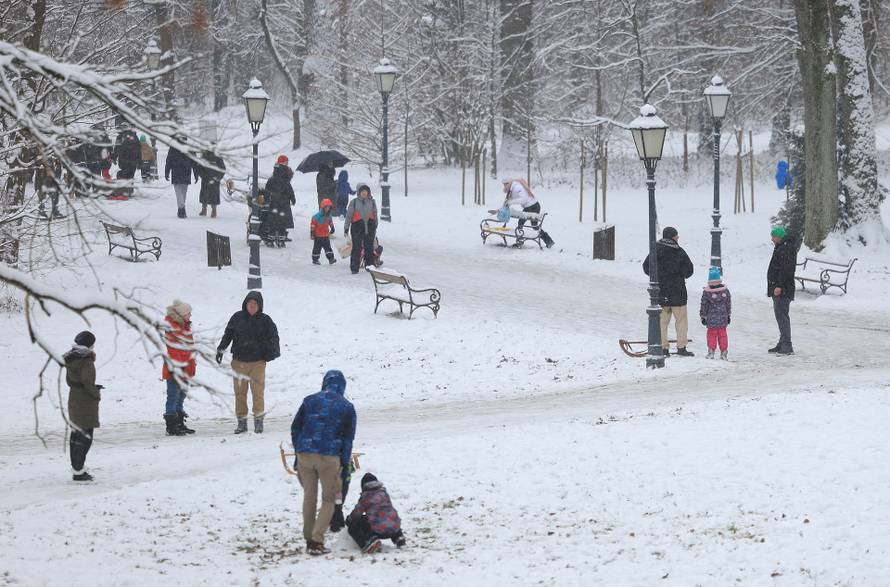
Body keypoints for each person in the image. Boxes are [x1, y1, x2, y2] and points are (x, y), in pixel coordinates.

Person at [290, 370, 357, 556]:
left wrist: (298, 453)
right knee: (329, 499)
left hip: (305, 453)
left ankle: (308, 537)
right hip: (330, 457)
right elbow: (348, 440)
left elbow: (296, 428)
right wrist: (344, 465)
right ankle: (316, 540)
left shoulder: (309, 400)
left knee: (309, 497)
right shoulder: (347, 407)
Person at [216, 291, 280, 434]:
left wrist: (271, 354)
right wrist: (221, 349)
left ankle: (258, 422)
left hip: (258, 363)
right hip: (239, 363)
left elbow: (274, 338)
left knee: (257, 393)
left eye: (255, 304)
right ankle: (242, 423)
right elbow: (228, 335)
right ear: (245, 304)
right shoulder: (237, 318)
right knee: (240, 393)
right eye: (249, 304)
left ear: (260, 306)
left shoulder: (266, 320)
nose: (252, 307)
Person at [642, 226, 695, 357]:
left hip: (661, 292)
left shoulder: (656, 250)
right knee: (681, 321)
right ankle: (681, 347)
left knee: (662, 322)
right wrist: (678, 274)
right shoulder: (679, 251)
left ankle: (663, 348)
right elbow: (689, 270)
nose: (678, 238)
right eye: (676, 236)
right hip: (678, 292)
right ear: (673, 237)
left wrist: (658, 276)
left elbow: (646, 266)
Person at [64, 331, 102, 482]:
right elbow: (86, 381)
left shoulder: (72, 358)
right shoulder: (85, 359)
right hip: (84, 402)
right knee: (85, 437)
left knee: (76, 436)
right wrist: (95, 392)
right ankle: (78, 471)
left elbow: (73, 380)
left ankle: (77, 467)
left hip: (74, 397)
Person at [346, 473, 406, 554]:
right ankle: (398, 537)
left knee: (353, 527)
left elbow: (357, 514)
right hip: (395, 527)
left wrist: (350, 519)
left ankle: (368, 542)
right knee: (387, 517)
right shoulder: (384, 493)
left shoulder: (365, 497)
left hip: (379, 530)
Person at [162, 299, 197, 436]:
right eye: (189, 313)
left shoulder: (185, 327)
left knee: (180, 396)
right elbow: (174, 351)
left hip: (185, 367)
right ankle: (171, 425)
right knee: (173, 395)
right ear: (182, 315)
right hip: (175, 369)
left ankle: (179, 422)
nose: (190, 316)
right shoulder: (173, 328)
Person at [767, 226, 797, 355]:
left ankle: (787, 344)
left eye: (773, 236)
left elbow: (785, 270)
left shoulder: (785, 248)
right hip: (780, 287)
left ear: (779, 236)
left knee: (782, 316)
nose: (772, 239)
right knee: (780, 316)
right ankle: (782, 342)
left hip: (783, 289)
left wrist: (779, 286)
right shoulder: (783, 247)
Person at [501, 178, 555, 248]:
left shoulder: (517, 187)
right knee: (529, 225)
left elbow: (524, 199)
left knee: (528, 224)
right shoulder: (513, 188)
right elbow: (511, 198)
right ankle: (548, 241)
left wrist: (511, 202)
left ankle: (520, 242)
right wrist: (507, 203)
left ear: (509, 183)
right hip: (531, 206)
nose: (504, 187)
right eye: (504, 185)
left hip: (532, 206)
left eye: (505, 185)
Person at [344, 183, 378, 274]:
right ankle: (354, 268)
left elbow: (375, 214)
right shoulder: (354, 202)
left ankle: (370, 266)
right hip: (357, 227)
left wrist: (375, 225)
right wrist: (346, 227)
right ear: (359, 192)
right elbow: (349, 216)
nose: (364, 193)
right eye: (362, 191)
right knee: (356, 247)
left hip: (370, 227)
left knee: (369, 247)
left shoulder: (372, 201)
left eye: (366, 191)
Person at [699, 266, 731, 360]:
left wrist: (703, 316)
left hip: (711, 319)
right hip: (723, 318)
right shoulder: (725, 291)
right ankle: (724, 352)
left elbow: (704, 305)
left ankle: (711, 352)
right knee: (723, 335)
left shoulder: (707, 293)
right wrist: (728, 315)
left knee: (711, 335)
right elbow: (728, 304)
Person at [264, 155, 296, 247]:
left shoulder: (273, 175)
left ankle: (271, 239)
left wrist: (266, 198)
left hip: (274, 201)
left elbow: (267, 188)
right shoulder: (285, 174)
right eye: (286, 162)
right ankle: (281, 240)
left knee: (273, 220)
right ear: (284, 162)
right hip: (283, 202)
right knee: (282, 221)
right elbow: (288, 188)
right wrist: (292, 198)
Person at [165, 139, 199, 218]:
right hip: (186, 172)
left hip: (176, 171)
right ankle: (181, 209)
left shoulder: (173, 147)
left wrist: (167, 171)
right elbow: (194, 162)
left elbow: (169, 160)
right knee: (183, 192)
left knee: (179, 193)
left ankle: (181, 209)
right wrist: (196, 173)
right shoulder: (189, 147)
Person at [196, 150, 226, 218]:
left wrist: (218, 177)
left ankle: (213, 210)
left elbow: (222, 169)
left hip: (213, 179)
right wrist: (202, 175)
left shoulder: (217, 156)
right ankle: (205, 209)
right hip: (207, 178)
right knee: (206, 194)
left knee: (212, 194)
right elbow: (199, 167)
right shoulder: (205, 155)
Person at [310, 198, 337, 265]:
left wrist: (332, 227)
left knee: (328, 248)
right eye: (326, 207)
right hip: (318, 236)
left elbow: (330, 221)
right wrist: (312, 233)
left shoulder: (329, 215)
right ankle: (315, 259)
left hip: (325, 235)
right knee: (317, 248)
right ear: (323, 207)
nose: (328, 209)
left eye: (329, 207)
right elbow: (313, 224)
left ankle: (331, 259)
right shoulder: (317, 216)